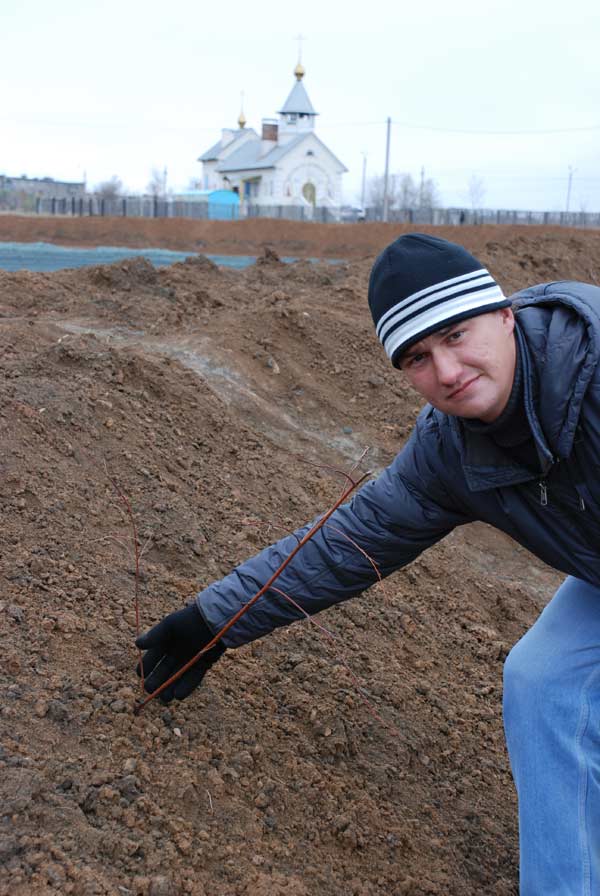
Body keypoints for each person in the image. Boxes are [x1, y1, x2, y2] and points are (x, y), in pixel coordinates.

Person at [136, 232, 600, 895]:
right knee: (545, 681)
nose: (445, 370)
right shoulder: (449, 453)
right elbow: (354, 539)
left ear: (505, 314)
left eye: (457, 334)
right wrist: (214, 620)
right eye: (417, 356)